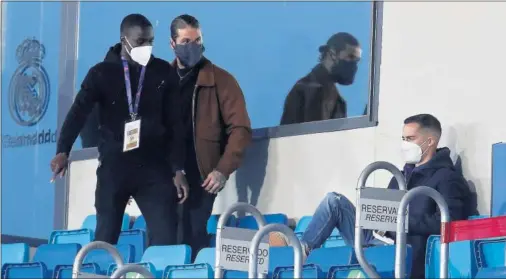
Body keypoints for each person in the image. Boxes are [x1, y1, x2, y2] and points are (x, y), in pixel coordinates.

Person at [270, 114, 476, 279]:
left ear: (430, 141)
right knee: (334, 201)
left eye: (410, 139)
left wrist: (401, 222)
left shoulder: (448, 179)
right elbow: (383, 212)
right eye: (403, 138)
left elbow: (451, 223)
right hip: (378, 240)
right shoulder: (399, 176)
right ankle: (301, 251)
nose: (405, 144)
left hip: (405, 251)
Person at [50, 14, 189, 245]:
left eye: (151, 41)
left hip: (153, 167)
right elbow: (78, 113)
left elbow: (176, 124)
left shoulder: (163, 72)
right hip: (115, 166)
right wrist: (63, 150)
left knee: (166, 235)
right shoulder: (101, 73)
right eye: (141, 41)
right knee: (105, 236)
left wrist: (178, 169)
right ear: (125, 41)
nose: (147, 47)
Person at [168, 14, 252, 257]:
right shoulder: (160, 80)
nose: (192, 47)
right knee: (164, 242)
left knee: (193, 239)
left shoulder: (222, 81)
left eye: (197, 40)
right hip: (165, 177)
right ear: (172, 44)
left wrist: (222, 170)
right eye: (185, 41)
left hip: (202, 177)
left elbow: (240, 129)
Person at [280, 32, 361, 125]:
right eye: (350, 57)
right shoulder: (308, 89)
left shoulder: (338, 101)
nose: (354, 65)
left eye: (356, 61)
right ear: (333, 54)